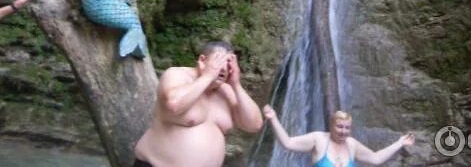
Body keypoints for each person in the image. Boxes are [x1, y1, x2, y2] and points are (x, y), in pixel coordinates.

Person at [133, 40, 263, 167]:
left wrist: (236, 84)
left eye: (228, 64)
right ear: (202, 60)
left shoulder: (227, 91)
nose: (223, 68)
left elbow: (254, 125)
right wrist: (207, 76)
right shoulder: (177, 75)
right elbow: (173, 105)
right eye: (219, 61)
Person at [263, 105, 415, 166]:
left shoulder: (352, 144)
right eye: (340, 126)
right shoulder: (319, 139)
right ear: (331, 125)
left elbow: (375, 159)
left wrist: (400, 143)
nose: (343, 131)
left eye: (347, 128)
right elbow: (288, 143)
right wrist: (273, 118)